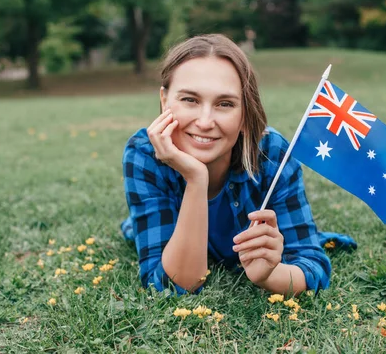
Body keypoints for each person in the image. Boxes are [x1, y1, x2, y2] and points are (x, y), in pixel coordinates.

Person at [120, 34, 356, 296]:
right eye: (190, 100)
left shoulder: (271, 154)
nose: (205, 121)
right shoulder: (144, 154)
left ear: (245, 114)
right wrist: (197, 179)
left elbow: (313, 266)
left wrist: (270, 275)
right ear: (165, 101)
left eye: (225, 104)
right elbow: (168, 285)